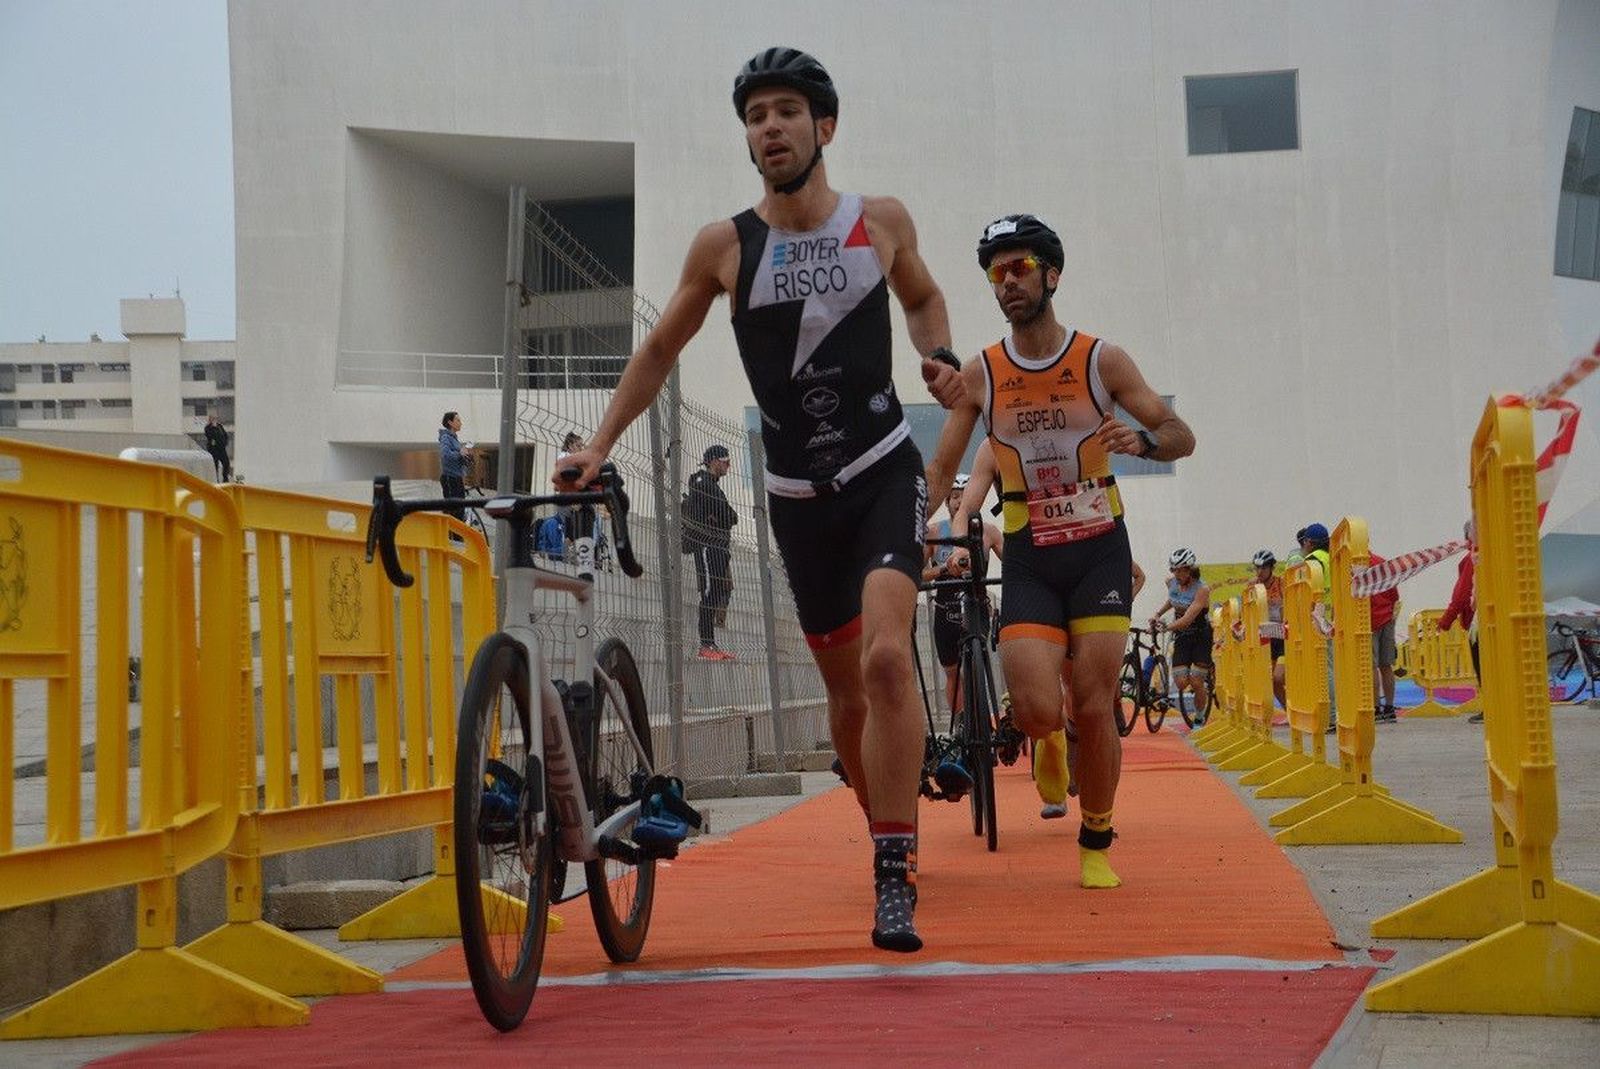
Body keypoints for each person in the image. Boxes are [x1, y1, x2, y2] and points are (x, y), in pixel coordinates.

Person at [554, 47, 965, 953]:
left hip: (883, 472)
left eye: (785, 111)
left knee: (889, 661)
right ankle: (881, 811)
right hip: (797, 497)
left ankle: (892, 876)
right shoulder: (726, 245)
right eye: (754, 115)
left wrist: (938, 353)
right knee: (848, 705)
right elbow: (661, 348)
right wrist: (599, 443)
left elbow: (925, 296)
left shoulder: (880, 220)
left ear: (825, 125)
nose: (767, 127)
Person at [931, 213, 1196, 888]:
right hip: (1030, 552)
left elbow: (1179, 431)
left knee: (1094, 696)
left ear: (1052, 274)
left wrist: (1146, 440)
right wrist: (908, 527)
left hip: (1100, 546)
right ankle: (1046, 740)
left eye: (1020, 267)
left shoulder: (1100, 359)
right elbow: (942, 471)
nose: (1008, 282)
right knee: (1035, 703)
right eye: (997, 272)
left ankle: (1096, 838)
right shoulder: (984, 373)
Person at [921, 471, 1004, 797]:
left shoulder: (989, 531)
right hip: (946, 611)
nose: (958, 500)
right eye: (953, 495)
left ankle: (983, 720)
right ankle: (959, 731)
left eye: (964, 494)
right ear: (947, 500)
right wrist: (943, 569)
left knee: (978, 664)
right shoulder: (933, 533)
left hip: (977, 607)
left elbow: (1015, 565)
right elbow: (917, 573)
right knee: (953, 675)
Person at [685, 444, 739, 660]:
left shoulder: (713, 486)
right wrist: (722, 517)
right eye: (725, 461)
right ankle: (705, 645)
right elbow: (724, 515)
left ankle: (712, 644)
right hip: (707, 545)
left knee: (716, 591)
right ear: (714, 461)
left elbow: (730, 517)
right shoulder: (701, 482)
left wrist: (723, 516)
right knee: (709, 593)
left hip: (719, 546)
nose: (728, 465)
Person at [1151, 548, 1213, 718]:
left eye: (1180, 570)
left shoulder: (1202, 590)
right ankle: (1200, 680)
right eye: (1173, 570)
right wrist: (1158, 614)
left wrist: (1166, 627)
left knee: (1196, 681)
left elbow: (1187, 619)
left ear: (1189, 569)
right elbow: (1173, 600)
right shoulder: (1170, 582)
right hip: (1182, 636)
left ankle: (1200, 715)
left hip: (1201, 635)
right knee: (1181, 682)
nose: (1176, 574)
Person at [1296, 522, 1337, 729]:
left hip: (1316, 618)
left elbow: (1305, 592)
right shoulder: (1332, 559)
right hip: (1331, 617)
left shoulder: (1313, 561)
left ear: (1309, 542)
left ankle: (1328, 717)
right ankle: (1333, 714)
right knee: (1332, 666)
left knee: (1323, 669)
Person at [1438, 521, 1480, 723]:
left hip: (1480, 621)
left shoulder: (1472, 559)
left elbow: (1462, 594)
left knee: (1484, 667)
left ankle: (1491, 708)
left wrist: (1446, 620)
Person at [1368, 550, 1402, 723]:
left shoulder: (1350, 567)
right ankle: (1389, 708)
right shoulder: (1381, 562)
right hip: (1387, 617)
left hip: (1367, 620)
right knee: (1386, 665)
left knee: (1371, 666)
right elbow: (1394, 594)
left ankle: (1375, 708)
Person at [1253, 549, 1288, 709]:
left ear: (1271, 568)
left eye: (1263, 568)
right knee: (1272, 682)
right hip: (1264, 640)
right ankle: (1290, 710)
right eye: (1257, 568)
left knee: (1279, 677)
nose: (1259, 572)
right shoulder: (1252, 587)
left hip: (1283, 639)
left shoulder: (1281, 584)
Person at [439, 411, 470, 522]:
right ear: (450, 422)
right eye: (458, 420)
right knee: (454, 510)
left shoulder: (454, 439)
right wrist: (459, 453)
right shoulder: (445, 437)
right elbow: (445, 455)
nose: (460, 423)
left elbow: (457, 457)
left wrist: (464, 456)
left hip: (457, 477)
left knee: (460, 509)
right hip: (450, 477)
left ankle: (458, 536)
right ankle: (452, 536)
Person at [204, 415, 231, 483]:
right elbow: (211, 436)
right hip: (213, 450)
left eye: (215, 418)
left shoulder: (220, 426)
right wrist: (213, 427)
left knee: (226, 463)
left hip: (222, 449)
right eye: (212, 419)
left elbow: (225, 435)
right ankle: (216, 480)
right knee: (215, 465)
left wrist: (225, 442)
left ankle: (225, 478)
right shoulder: (208, 428)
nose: (214, 420)